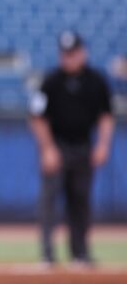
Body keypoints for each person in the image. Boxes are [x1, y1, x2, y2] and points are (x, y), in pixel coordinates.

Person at [28, 31, 115, 267]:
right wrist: (47, 149)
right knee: (49, 202)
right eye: (65, 54)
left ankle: (80, 253)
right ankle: (47, 255)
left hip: (83, 147)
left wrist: (103, 145)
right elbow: (37, 117)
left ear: (82, 53)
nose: (69, 58)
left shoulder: (96, 80)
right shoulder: (51, 81)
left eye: (73, 53)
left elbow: (106, 116)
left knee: (81, 201)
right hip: (58, 146)